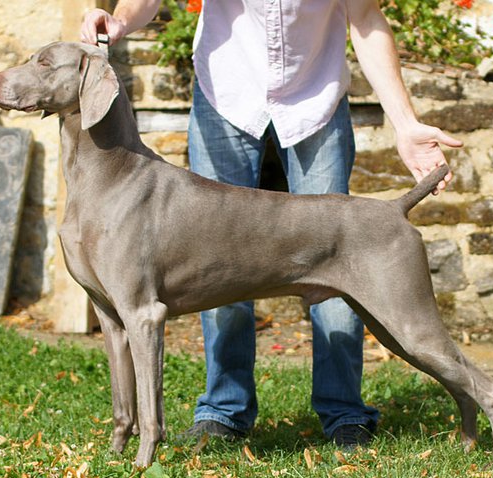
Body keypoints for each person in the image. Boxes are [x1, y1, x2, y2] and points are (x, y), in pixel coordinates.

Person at [81, 0, 462, 448]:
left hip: (315, 99)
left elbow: (365, 19)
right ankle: (225, 410)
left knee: (342, 259)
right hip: (227, 94)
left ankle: (344, 413)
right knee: (212, 265)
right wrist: (121, 20)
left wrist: (405, 123)